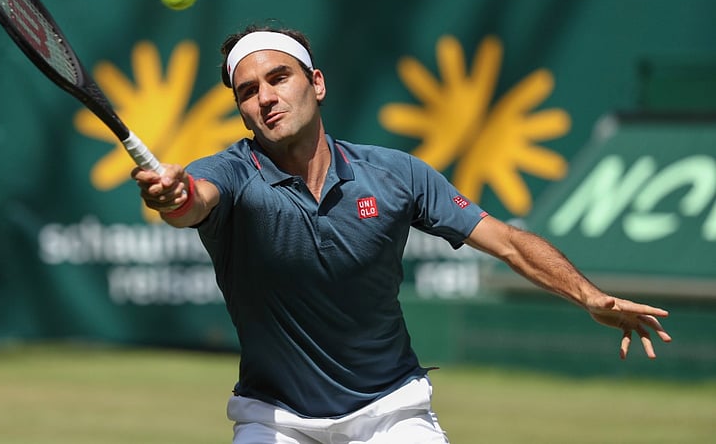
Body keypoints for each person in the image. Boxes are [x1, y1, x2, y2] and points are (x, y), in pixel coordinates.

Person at [131, 24, 672, 444]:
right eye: (248, 92)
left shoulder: (396, 174)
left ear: (315, 83)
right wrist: (172, 196)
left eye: (279, 78)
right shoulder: (230, 172)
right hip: (275, 420)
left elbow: (506, 241)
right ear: (243, 113)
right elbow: (192, 200)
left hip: (390, 411)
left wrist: (588, 294)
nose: (265, 98)